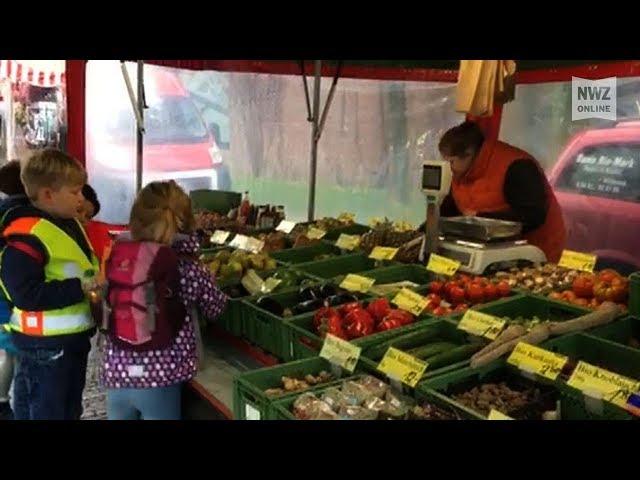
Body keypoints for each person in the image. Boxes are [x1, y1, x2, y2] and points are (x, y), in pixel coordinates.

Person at [101, 180, 226, 420]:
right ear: (186, 222)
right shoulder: (187, 267)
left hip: (117, 372)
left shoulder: (119, 258)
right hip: (160, 378)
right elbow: (215, 308)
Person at [0, 149, 101, 420]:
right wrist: (80, 286)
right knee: (47, 409)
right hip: (45, 345)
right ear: (47, 194)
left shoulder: (67, 222)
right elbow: (26, 294)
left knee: (65, 408)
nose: (82, 199)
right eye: (75, 192)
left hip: (70, 340)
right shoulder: (26, 235)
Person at [436, 121, 566, 262]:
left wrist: (480, 219)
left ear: (468, 154)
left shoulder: (518, 168)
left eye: (451, 162)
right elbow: (449, 210)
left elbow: (532, 215)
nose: (448, 167)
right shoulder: (460, 172)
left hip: (535, 251)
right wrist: (424, 232)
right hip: (490, 249)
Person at [0, 159, 29, 420]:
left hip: (4, 297)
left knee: (9, 352)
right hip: (9, 301)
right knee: (16, 355)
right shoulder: (20, 214)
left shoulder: (5, 211)